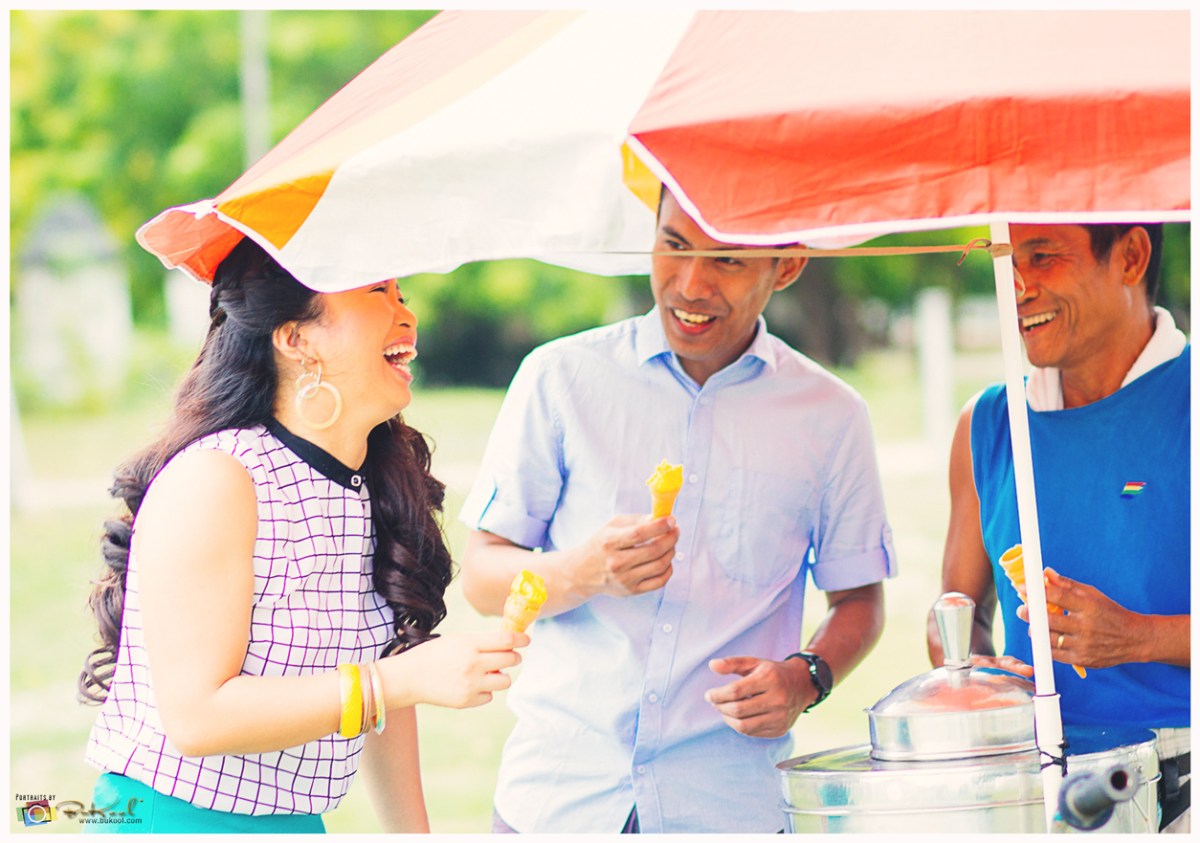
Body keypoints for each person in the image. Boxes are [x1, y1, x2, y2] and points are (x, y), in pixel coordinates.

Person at [457, 188, 896, 833]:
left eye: (728, 260)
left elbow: (859, 600)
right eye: (674, 245)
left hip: (729, 809)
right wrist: (584, 571)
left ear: (789, 265)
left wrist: (805, 678)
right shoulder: (559, 378)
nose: (690, 285)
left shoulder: (832, 416)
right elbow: (482, 577)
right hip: (557, 802)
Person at [78, 237, 528, 833]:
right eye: (378, 291)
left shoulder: (371, 486)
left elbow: (383, 692)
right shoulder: (218, 478)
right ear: (295, 339)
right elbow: (196, 718)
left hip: (295, 822)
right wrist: (399, 681)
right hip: (169, 819)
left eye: (402, 294)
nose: (406, 314)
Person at [927, 223, 1190, 832]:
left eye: (1042, 257)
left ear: (1130, 257)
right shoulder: (988, 423)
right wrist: (976, 671)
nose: (1017, 287)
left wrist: (1138, 638)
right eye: (1006, 262)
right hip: (1028, 788)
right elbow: (955, 611)